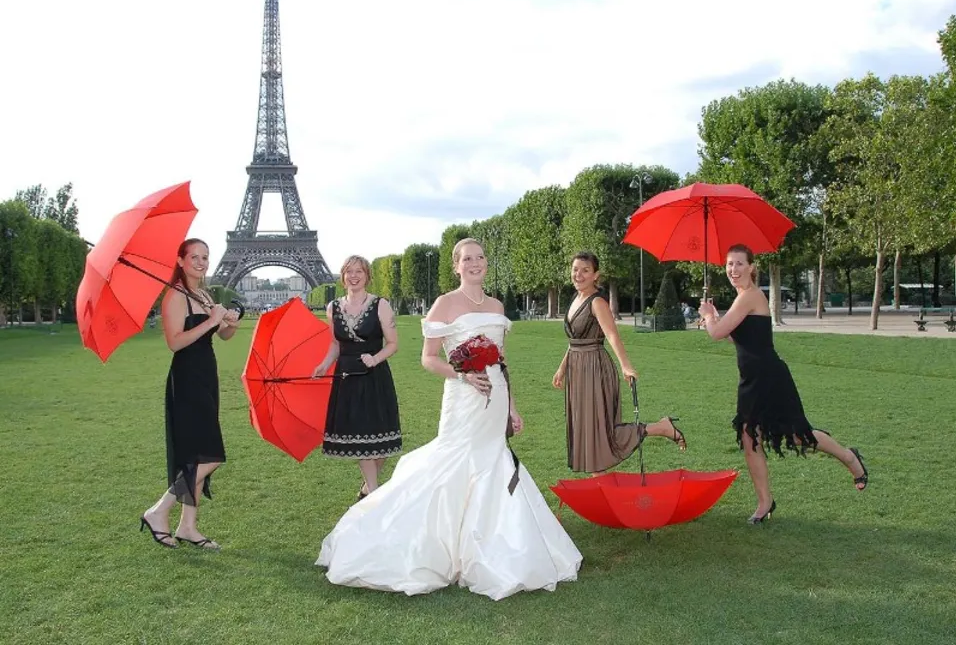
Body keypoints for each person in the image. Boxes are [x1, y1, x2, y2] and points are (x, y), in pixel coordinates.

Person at [317, 238, 582, 600]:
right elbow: (428, 358)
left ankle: (493, 543)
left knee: (494, 462)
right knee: (454, 463)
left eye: (480, 257)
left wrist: (512, 408)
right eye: (467, 259)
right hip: (463, 397)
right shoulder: (445, 303)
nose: (474, 263)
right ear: (456, 266)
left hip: (495, 396)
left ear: (486, 263)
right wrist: (462, 375)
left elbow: (501, 362)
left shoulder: (496, 305)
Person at [698, 243, 869, 525]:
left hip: (770, 378)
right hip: (751, 380)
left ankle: (849, 457)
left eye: (739, 263)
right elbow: (733, 337)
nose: (733, 269)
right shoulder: (741, 299)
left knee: (798, 435)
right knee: (749, 437)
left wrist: (708, 316)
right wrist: (713, 317)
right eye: (729, 264)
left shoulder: (750, 296)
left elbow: (716, 333)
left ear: (752, 267)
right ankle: (765, 503)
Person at [139, 238, 240, 550]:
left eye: (205, 257)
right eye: (194, 257)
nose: (200, 262)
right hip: (187, 379)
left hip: (206, 376)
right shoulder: (174, 296)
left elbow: (221, 335)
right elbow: (175, 342)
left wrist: (229, 323)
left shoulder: (203, 294)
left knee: (199, 454)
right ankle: (158, 512)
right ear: (180, 261)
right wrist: (211, 319)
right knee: (210, 456)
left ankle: (188, 527)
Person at [553, 252, 686, 473]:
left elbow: (613, 335)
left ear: (596, 275)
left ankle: (661, 428)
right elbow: (575, 341)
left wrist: (626, 365)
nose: (579, 274)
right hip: (577, 369)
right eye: (575, 269)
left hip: (595, 369)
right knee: (587, 428)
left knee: (600, 430)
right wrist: (562, 367)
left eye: (585, 270)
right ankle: (598, 484)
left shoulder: (597, 302)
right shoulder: (575, 300)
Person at [312, 256, 401, 499]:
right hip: (347, 378)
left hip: (375, 377)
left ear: (367, 275)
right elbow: (335, 344)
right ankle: (373, 494)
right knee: (361, 437)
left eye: (359, 271)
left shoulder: (381, 305)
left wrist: (375, 358)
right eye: (349, 271)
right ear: (342, 276)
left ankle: (366, 489)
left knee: (381, 444)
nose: (354, 276)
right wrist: (324, 364)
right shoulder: (332, 308)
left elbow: (393, 344)